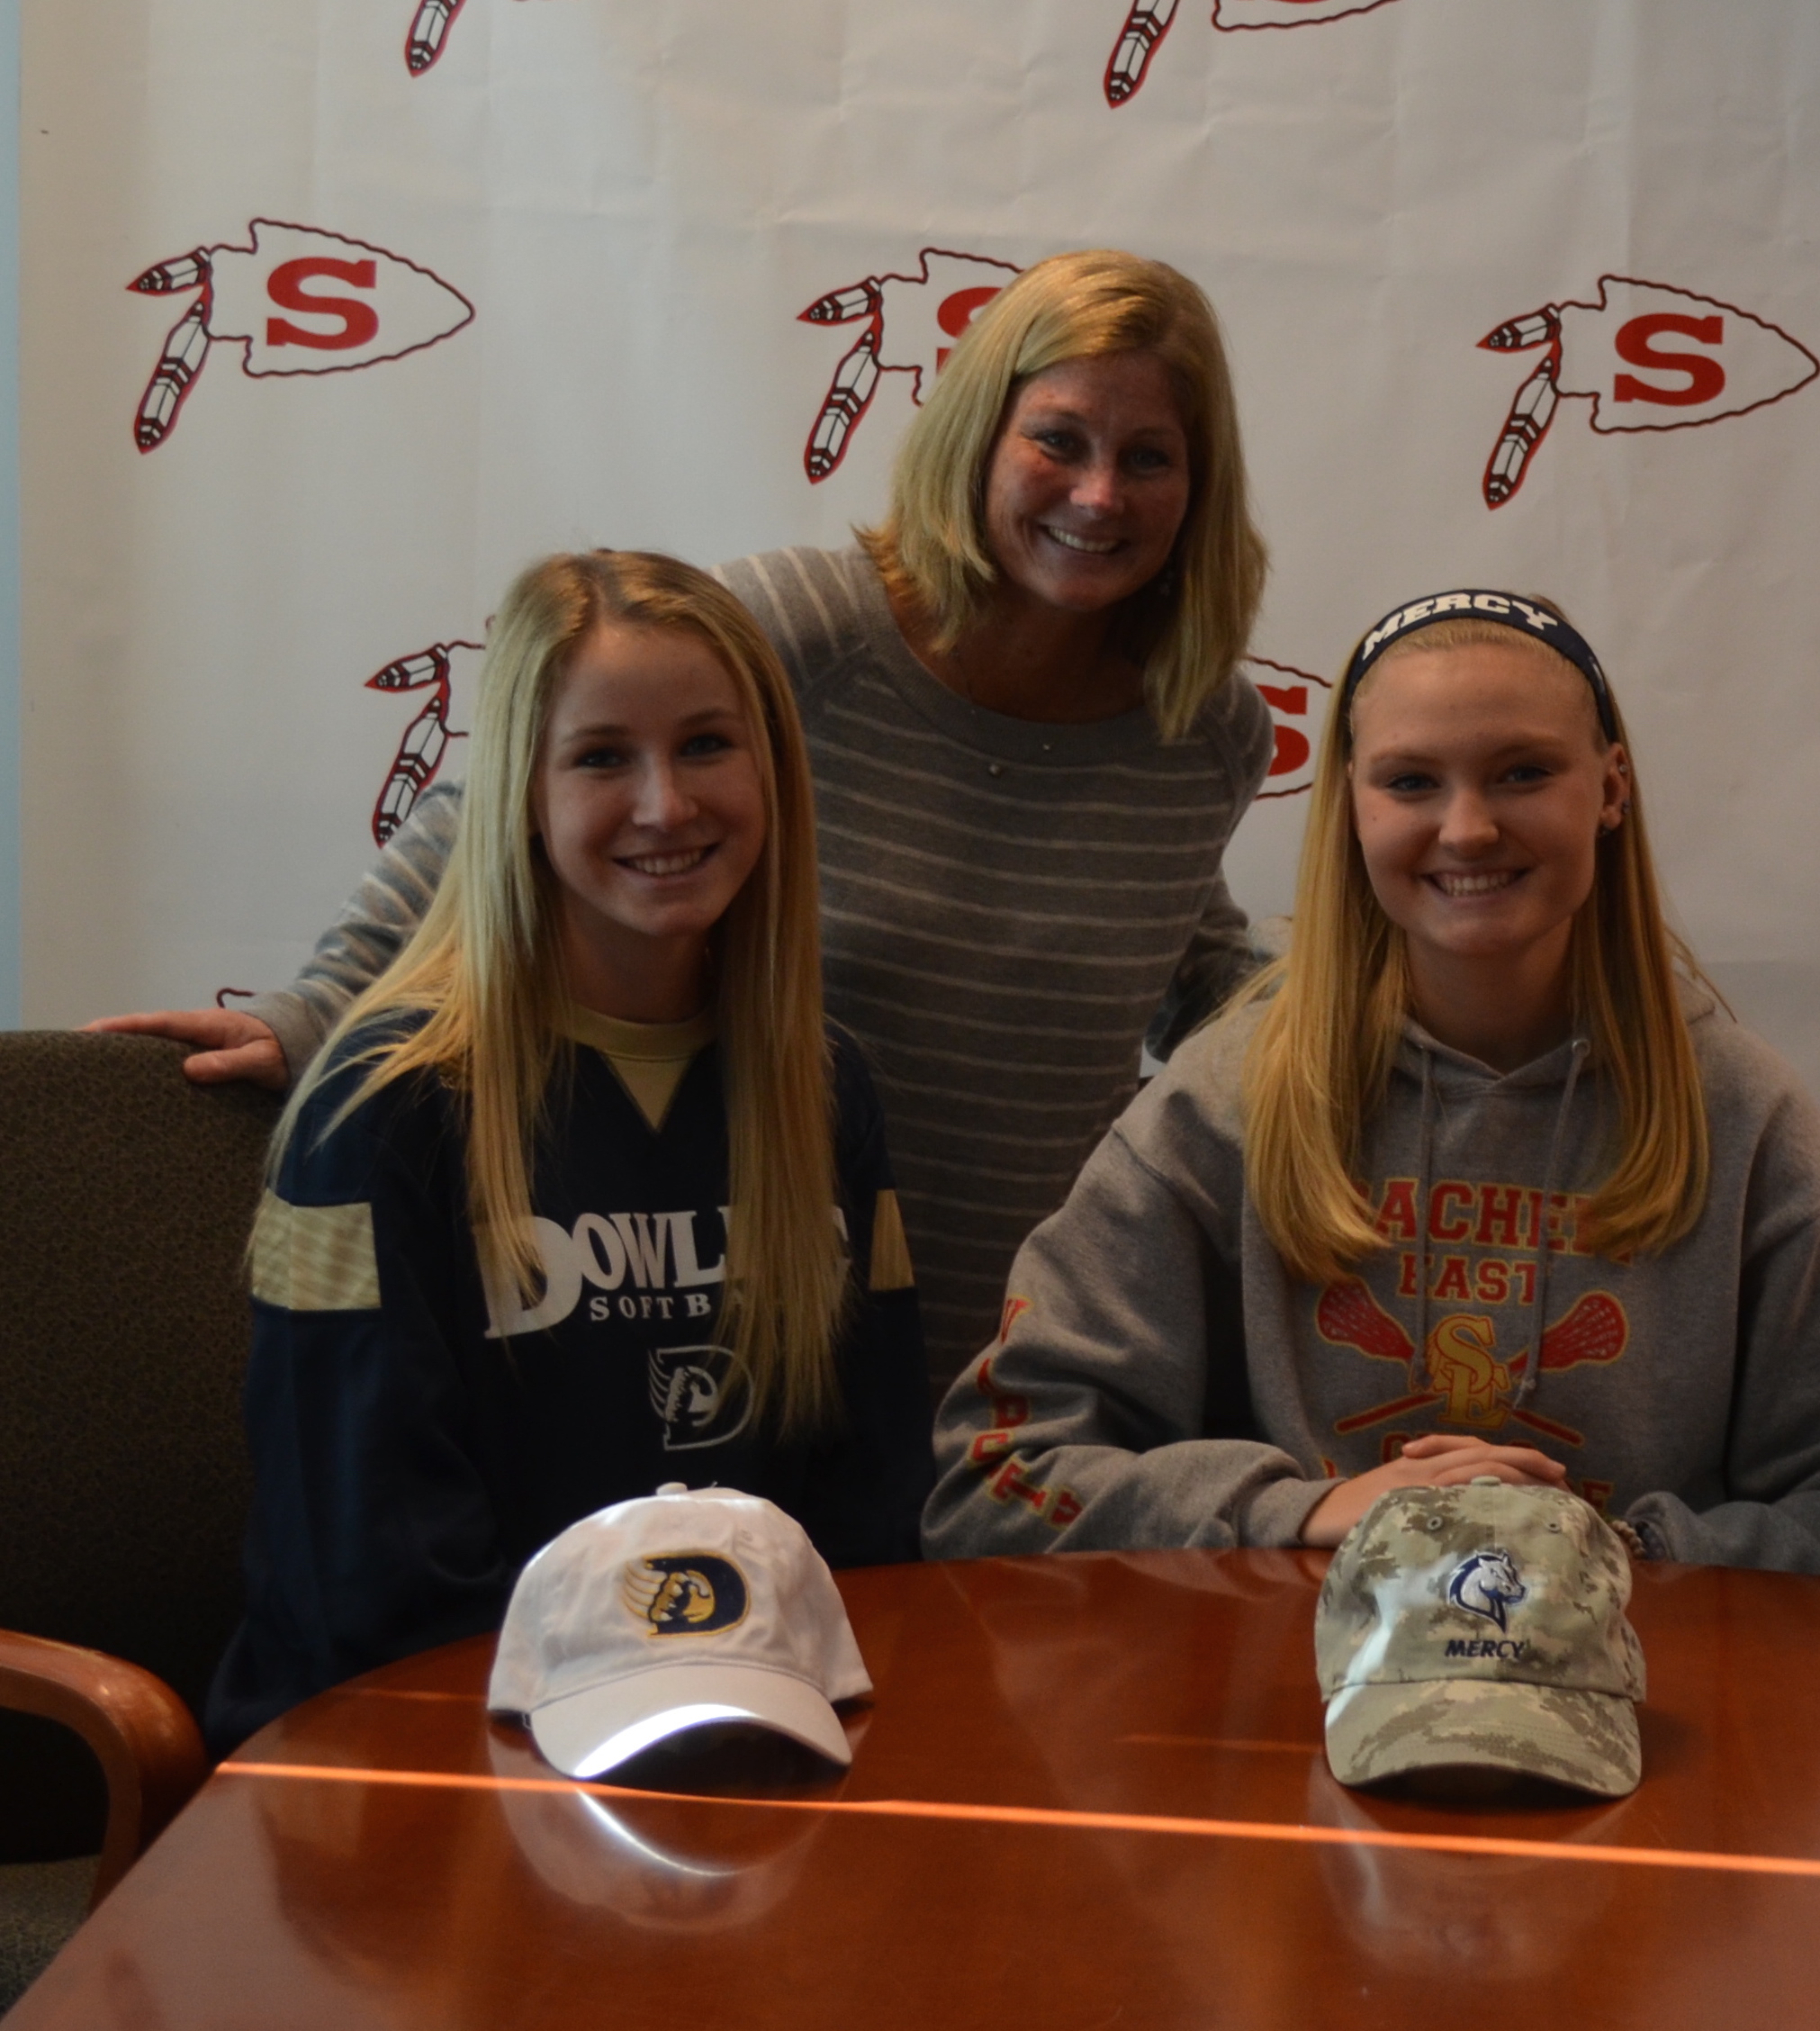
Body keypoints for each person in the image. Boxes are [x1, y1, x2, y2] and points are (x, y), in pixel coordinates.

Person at [94, 248, 1274, 1388]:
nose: (1099, 494)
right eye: (1057, 440)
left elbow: (1185, 948)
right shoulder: (805, 628)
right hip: (754, 1337)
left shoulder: (1207, 727)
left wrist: (1352, 1012)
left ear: (1201, 485)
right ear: (976, 435)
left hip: (1032, 1365)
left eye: (1149, 457)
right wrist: (321, 1009)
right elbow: (501, 808)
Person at [926, 590, 1820, 1569]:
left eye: (1523, 772)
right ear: (1349, 805)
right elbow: (995, 1481)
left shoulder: (1745, 1119)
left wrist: (1615, 1550)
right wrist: (1297, 1513)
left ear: (1611, 788)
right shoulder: (1225, 1104)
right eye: (1411, 781)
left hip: (1637, 1667)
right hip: (1293, 1665)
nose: (1468, 830)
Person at [205, 551, 932, 1756]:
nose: (666, 804)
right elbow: (364, 1575)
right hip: (423, 1743)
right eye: (601, 757)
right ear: (521, 795)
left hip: (749, 1720)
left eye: (707, 744)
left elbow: (874, 1505)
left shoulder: (823, 1087)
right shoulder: (381, 1108)